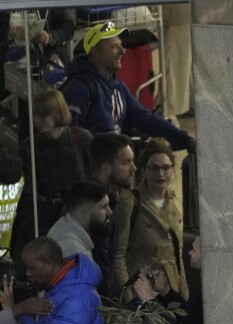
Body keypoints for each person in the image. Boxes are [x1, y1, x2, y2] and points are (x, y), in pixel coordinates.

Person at [62, 22, 194, 151]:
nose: (122, 51)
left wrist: (186, 140)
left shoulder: (116, 84)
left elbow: (145, 118)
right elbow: (67, 141)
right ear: (94, 52)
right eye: (113, 47)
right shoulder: (79, 89)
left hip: (115, 163)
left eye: (121, 46)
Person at [13, 88, 91, 256]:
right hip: (45, 217)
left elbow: (91, 179)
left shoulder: (81, 139)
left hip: (78, 214)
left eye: (43, 116)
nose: (37, 121)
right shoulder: (29, 147)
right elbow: (30, 189)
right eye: (35, 116)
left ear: (57, 113)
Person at [114, 138, 187, 298]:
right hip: (141, 291)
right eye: (153, 168)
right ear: (144, 170)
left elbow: (177, 255)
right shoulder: (130, 202)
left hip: (170, 291)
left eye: (166, 168)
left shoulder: (173, 202)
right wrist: (127, 297)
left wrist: (184, 295)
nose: (160, 174)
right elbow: (118, 256)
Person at [46, 179, 111, 261]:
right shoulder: (73, 250)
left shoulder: (69, 233)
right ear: (85, 211)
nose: (110, 212)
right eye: (103, 206)